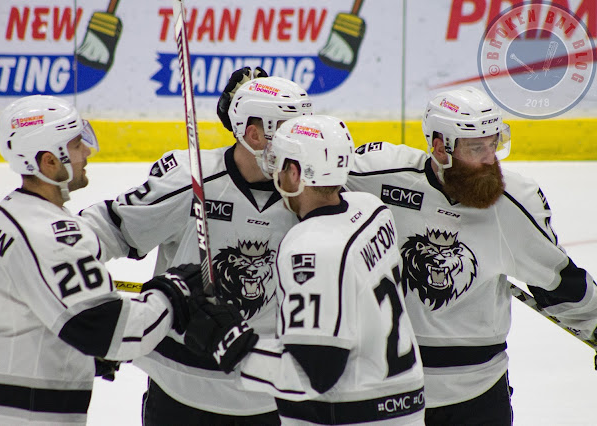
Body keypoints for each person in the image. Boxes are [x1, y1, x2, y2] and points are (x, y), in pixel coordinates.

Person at [345, 86, 597, 425]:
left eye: (493, 144)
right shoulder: (379, 177)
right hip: (393, 387)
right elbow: (312, 176)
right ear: (440, 148)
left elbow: (561, 283)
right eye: (476, 148)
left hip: (479, 392)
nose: (489, 159)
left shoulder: (513, 203)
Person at [80, 70, 313, 424]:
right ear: (254, 134)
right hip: (177, 386)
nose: (302, 142)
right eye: (288, 130)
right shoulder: (191, 179)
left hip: (263, 392)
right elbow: (110, 227)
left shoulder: (310, 194)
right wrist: (67, 280)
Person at [0, 95, 202, 425]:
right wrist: (172, 293)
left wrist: (75, 349)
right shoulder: (52, 236)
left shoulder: (10, 212)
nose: (87, 151)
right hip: (19, 413)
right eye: (75, 145)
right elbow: (110, 329)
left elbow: (32, 313)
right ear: (49, 162)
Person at [211, 114, 426, 425]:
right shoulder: (373, 209)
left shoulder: (308, 246)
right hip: (406, 406)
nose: (274, 173)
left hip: (351, 415)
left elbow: (315, 373)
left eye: (279, 163)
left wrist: (226, 341)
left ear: (295, 172)